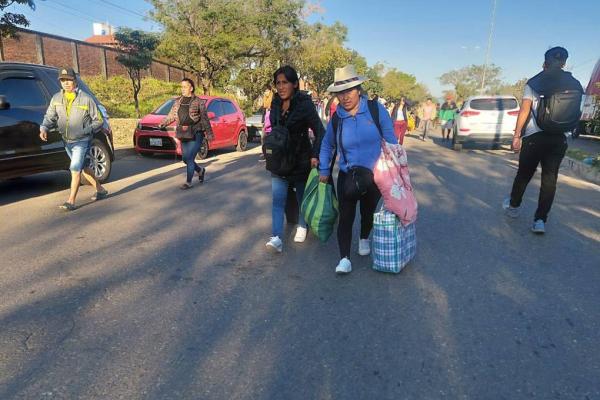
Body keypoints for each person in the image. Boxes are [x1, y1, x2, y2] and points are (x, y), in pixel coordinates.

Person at [318, 65, 398, 274]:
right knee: (345, 216)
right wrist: (324, 169)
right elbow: (327, 145)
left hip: (375, 176)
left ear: (359, 89)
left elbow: (391, 141)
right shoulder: (337, 118)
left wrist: (396, 169)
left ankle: (364, 237)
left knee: (368, 211)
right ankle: (344, 257)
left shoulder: (374, 109)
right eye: (340, 93)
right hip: (348, 175)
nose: (345, 97)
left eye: (349, 91)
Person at [503, 46, 583, 234]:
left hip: (534, 136)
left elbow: (524, 111)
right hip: (559, 139)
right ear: (564, 62)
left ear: (544, 63)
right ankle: (540, 221)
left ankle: (514, 207)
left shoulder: (534, 82)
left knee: (524, 174)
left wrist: (516, 136)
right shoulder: (575, 83)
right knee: (550, 179)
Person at [265, 65, 325, 253]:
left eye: (285, 83)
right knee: (278, 199)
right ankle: (276, 237)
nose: (281, 87)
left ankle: (302, 225)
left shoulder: (305, 104)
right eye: (278, 83)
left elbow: (320, 131)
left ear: (295, 84)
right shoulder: (274, 103)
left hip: (300, 159)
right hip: (279, 160)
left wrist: (315, 155)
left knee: (300, 198)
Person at [39, 67, 107, 211]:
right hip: (67, 140)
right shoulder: (56, 98)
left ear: (75, 81)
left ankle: (71, 201)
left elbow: (98, 120)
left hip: (82, 141)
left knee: (75, 169)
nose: (66, 83)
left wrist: (86, 130)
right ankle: (101, 190)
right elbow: (50, 116)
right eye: (63, 80)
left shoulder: (86, 99)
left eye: (69, 80)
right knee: (84, 168)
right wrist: (44, 127)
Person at [158, 78, 214, 189]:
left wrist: (209, 134)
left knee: (189, 158)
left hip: (196, 133)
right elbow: (171, 116)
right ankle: (200, 170)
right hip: (183, 133)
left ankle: (188, 182)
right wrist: (162, 124)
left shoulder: (198, 101)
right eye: (181, 87)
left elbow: (205, 119)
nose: (182, 89)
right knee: (185, 159)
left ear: (191, 88)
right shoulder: (177, 101)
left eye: (185, 87)